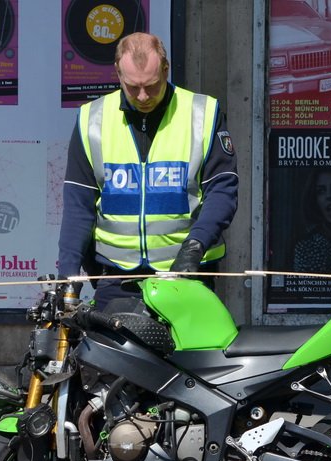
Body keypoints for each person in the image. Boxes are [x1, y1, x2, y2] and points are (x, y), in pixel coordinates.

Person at [57, 32, 238, 306]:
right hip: (116, 278)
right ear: (118, 73)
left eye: (152, 86)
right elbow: (77, 206)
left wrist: (195, 246)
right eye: (133, 87)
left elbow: (223, 190)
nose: (143, 96)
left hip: (186, 274)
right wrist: (67, 280)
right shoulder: (92, 119)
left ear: (166, 69)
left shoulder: (203, 113)